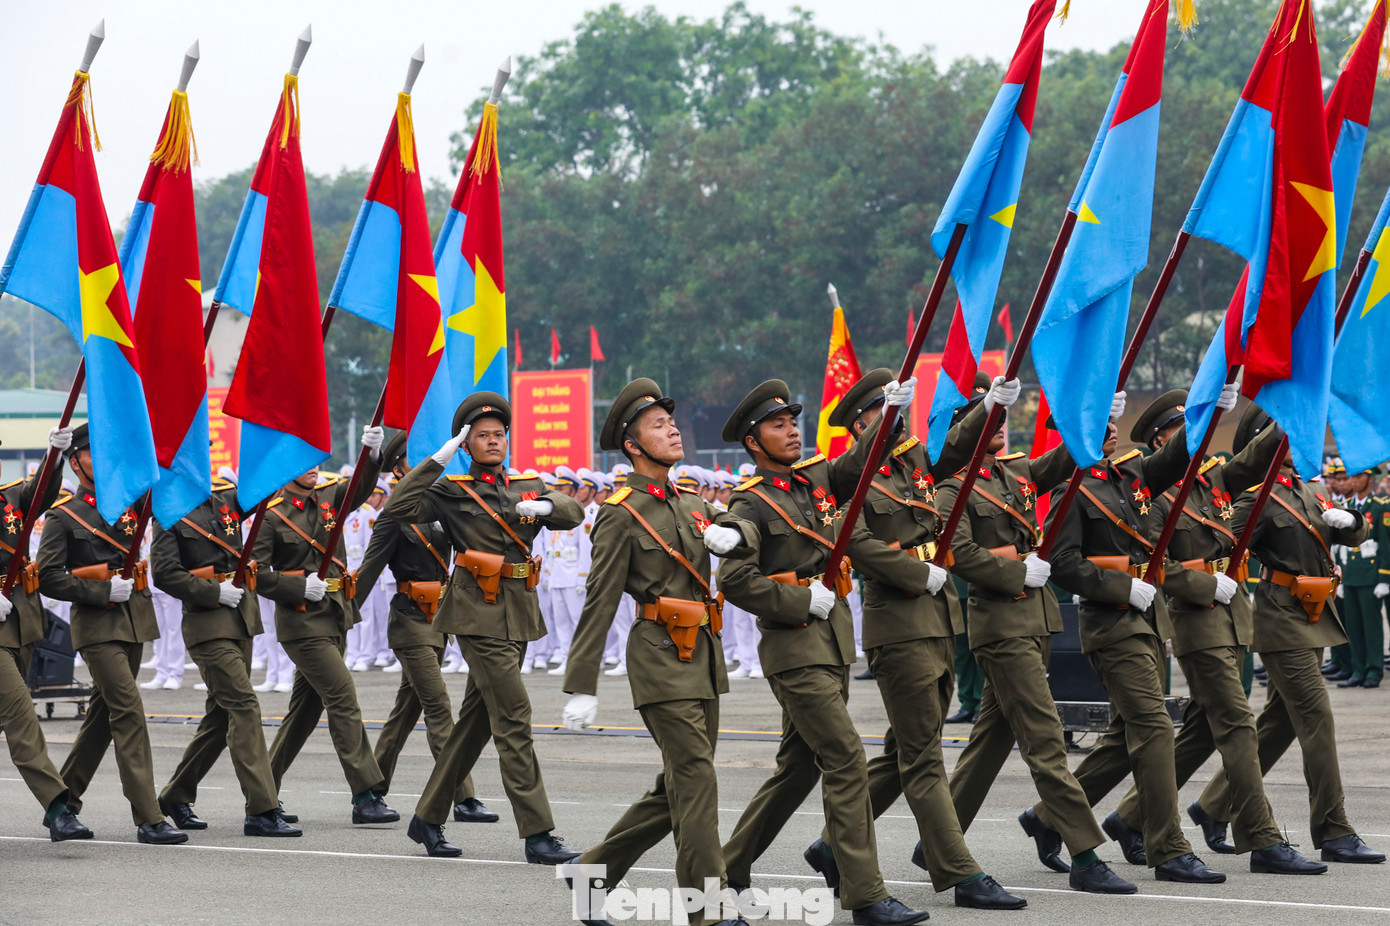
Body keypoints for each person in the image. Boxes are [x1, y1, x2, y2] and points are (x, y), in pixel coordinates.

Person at [717, 380, 929, 926]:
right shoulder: (749, 501)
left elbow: (859, 461)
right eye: (778, 425)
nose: (791, 431)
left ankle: (725, 872)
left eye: (793, 422)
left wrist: (888, 417)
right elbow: (735, 578)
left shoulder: (814, 479)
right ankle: (865, 896)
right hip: (794, 647)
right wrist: (796, 600)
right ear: (753, 442)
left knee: (796, 770)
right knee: (846, 759)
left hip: (831, 642)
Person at [816, 369, 1025, 909]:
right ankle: (958, 870)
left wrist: (990, 409)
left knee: (905, 752)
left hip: (938, 623)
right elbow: (853, 539)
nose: (901, 422)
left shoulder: (914, 469)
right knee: (925, 759)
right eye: (887, 413)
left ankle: (832, 846)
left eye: (899, 411)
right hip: (899, 629)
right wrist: (915, 573)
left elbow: (955, 449)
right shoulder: (845, 477)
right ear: (864, 422)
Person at [1099, 392, 1322, 873]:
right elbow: (1151, 563)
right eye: (1182, 432)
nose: (1192, 440)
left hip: (1233, 619)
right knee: (1239, 725)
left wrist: (1292, 406)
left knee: (1203, 730)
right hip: (1195, 620)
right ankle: (1260, 838)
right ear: (1161, 442)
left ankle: (1126, 817)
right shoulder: (1154, 498)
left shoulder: (1213, 482)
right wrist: (1203, 583)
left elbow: (1257, 458)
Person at [559, 378, 750, 926]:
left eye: (672, 420)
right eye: (658, 424)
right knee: (697, 778)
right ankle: (707, 908)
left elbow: (742, 530)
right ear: (634, 445)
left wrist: (733, 534)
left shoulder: (691, 502)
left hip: (704, 656)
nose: (672, 429)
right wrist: (582, 685)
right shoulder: (620, 512)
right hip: (660, 657)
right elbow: (599, 600)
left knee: (679, 786)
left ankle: (591, 872)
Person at [1037, 386, 1236, 885]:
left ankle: (1048, 818)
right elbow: (1061, 563)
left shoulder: (1132, 476)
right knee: (1153, 730)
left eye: (1109, 422)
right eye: (1095, 423)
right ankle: (1167, 848)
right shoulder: (1071, 491)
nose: (1108, 430)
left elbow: (1178, 456)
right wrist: (1121, 586)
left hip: (1149, 624)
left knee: (1127, 737)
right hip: (1111, 625)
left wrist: (1208, 412)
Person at [940, 396, 1136, 893]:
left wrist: (1090, 419)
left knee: (990, 740)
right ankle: (1086, 854)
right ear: (958, 429)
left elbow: (1068, 459)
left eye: (1000, 417)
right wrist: (1013, 570)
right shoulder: (950, 488)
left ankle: (937, 840)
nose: (998, 425)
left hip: (1034, 620)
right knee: (1046, 740)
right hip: (1000, 625)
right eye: (983, 418)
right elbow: (957, 551)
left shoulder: (1014, 474)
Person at [387, 393, 584, 865]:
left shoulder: (526, 485)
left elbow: (572, 513)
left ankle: (428, 818)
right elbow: (398, 507)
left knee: (475, 722)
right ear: (467, 445)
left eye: (498, 434)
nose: (493, 441)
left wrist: (544, 506)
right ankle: (538, 834)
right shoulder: (452, 489)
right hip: (476, 613)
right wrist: (438, 459)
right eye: (481, 436)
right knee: (514, 716)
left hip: (518, 611)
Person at [1195, 405, 1385, 865]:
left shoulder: (1304, 490)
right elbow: (1214, 545)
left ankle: (1213, 805)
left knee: (1280, 723)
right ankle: (1334, 830)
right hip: (1281, 620)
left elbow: (1347, 537)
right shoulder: (1254, 499)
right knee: (1317, 720)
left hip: (1312, 615)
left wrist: (1351, 524)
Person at [38, 423, 187, 845]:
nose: (101, 457)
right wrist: (100, 589)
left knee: (103, 718)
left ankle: (62, 803)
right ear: (76, 461)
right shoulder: (62, 516)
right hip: (97, 625)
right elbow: (48, 577)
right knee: (128, 711)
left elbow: (163, 491)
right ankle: (149, 817)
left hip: (134, 620)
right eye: (91, 452)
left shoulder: (130, 501)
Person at [254, 425, 398, 825]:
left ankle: (261, 793)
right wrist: (299, 585)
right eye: (304, 461)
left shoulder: (330, 497)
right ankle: (366, 794)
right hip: (301, 620)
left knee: (303, 712)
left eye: (317, 460)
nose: (315, 467)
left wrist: (372, 454)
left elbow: (361, 487)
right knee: (343, 697)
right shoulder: (271, 516)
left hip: (336, 613)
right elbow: (255, 573)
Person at [353, 431, 496, 825]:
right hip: (410, 621)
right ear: (399, 468)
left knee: (404, 712)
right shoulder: (393, 516)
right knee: (439, 706)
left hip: (439, 622)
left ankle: (370, 790)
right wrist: (343, 614)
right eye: (415, 461)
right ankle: (462, 796)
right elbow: (368, 571)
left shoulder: (439, 508)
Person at [151, 475, 301, 836]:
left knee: (221, 717)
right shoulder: (169, 511)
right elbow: (164, 573)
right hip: (208, 626)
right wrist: (210, 591)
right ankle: (262, 809)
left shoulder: (225, 498)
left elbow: (264, 491)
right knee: (245, 705)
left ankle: (176, 793)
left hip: (240, 621)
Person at [0, 426, 93, 841]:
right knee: (21, 714)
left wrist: (54, 457)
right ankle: (58, 809)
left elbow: (39, 494)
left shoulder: (10, 497)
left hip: (20, 623)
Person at [1333, 465, 1385, 689]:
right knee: (1353, 626)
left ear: (1371, 479)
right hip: (1351, 574)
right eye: (1352, 476)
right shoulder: (1348, 508)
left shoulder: (1381, 507)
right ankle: (1358, 669)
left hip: (1371, 576)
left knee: (1371, 626)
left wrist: (1385, 578)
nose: (1353, 480)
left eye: (1359, 475)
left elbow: (1386, 544)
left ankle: (1374, 669)